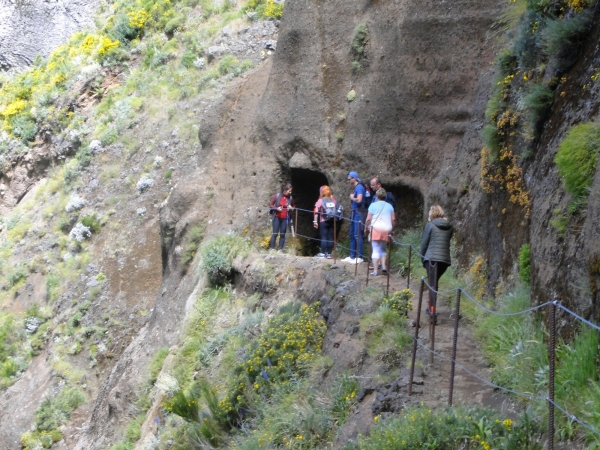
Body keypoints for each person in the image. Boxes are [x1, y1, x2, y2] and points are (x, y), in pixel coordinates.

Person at [420, 205, 453, 321]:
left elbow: (424, 244)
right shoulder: (449, 226)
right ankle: (431, 306)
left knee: (432, 284)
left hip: (431, 259)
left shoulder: (430, 225)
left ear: (432, 214)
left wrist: (422, 258)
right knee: (434, 283)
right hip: (444, 260)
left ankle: (432, 311)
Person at [365, 188, 396, 276]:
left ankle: (375, 271)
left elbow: (368, 219)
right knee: (383, 248)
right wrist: (392, 229)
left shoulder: (373, 206)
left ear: (376, 196)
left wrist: (367, 227)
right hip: (387, 228)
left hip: (376, 228)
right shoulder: (390, 206)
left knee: (375, 249)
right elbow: (393, 219)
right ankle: (384, 267)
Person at [341, 171, 366, 264]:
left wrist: (352, 197)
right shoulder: (356, 187)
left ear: (354, 178)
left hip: (358, 213)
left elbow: (359, 200)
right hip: (354, 212)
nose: (348, 181)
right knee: (352, 234)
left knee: (357, 234)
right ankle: (352, 256)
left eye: (349, 179)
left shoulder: (359, 187)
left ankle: (359, 256)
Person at [313, 185, 338, 258]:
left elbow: (316, 212)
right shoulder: (334, 200)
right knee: (330, 237)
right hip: (332, 221)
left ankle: (323, 253)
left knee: (324, 237)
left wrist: (315, 221)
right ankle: (329, 254)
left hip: (323, 221)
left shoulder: (320, 200)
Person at [269, 183, 295, 250]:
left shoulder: (290, 198)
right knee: (275, 234)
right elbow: (271, 205)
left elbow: (294, 206)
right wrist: (276, 208)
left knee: (282, 235)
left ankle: (280, 250)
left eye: (291, 191)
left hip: (285, 218)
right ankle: (272, 249)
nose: (290, 192)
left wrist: (291, 207)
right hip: (277, 217)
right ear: (285, 190)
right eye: (289, 191)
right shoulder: (277, 196)